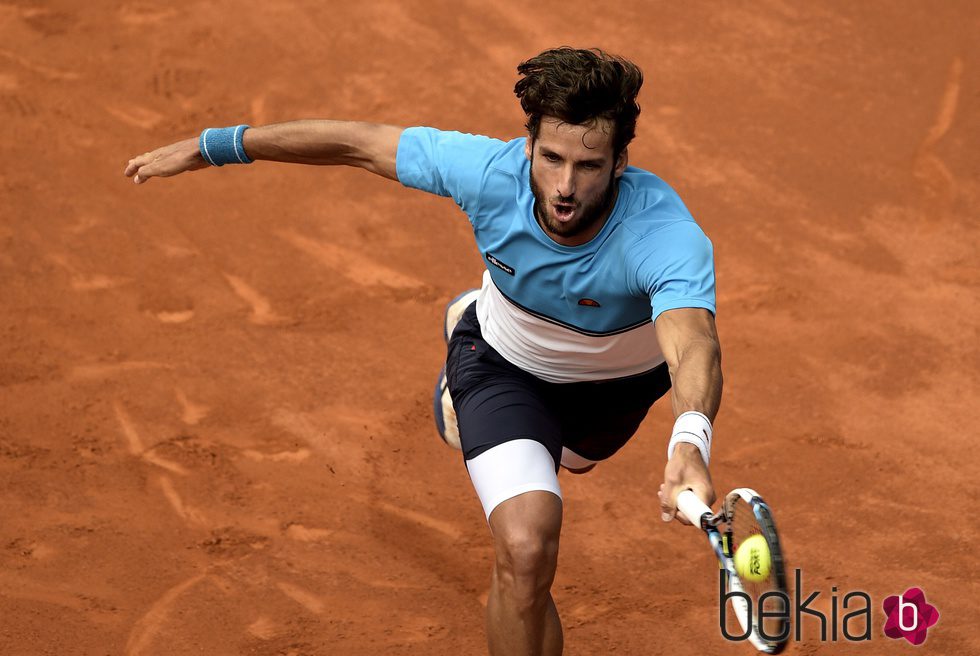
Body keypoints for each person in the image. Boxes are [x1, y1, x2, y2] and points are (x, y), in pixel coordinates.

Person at [125, 47, 720, 656]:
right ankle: (471, 354)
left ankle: (475, 365)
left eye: (589, 165)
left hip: (608, 397)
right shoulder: (487, 175)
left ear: (621, 162)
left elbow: (693, 342)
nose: (565, 187)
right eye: (551, 158)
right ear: (527, 149)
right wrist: (212, 146)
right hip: (504, 367)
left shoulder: (662, 234)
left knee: (575, 459)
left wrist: (689, 443)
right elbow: (356, 143)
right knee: (526, 548)